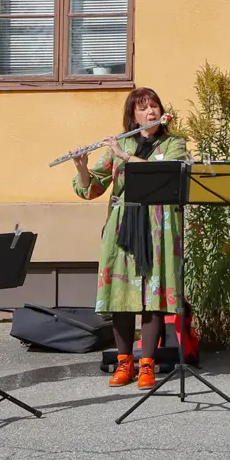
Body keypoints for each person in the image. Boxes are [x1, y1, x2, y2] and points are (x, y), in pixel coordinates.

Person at [72, 87, 188, 390]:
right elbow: (91, 188)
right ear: (132, 116)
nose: (151, 112)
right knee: (121, 296)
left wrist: (124, 156)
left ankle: (147, 364)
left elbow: (164, 173)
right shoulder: (120, 142)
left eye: (154, 106)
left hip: (158, 227)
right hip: (123, 226)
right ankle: (125, 362)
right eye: (143, 108)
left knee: (153, 296)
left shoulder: (173, 144)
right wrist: (82, 167)